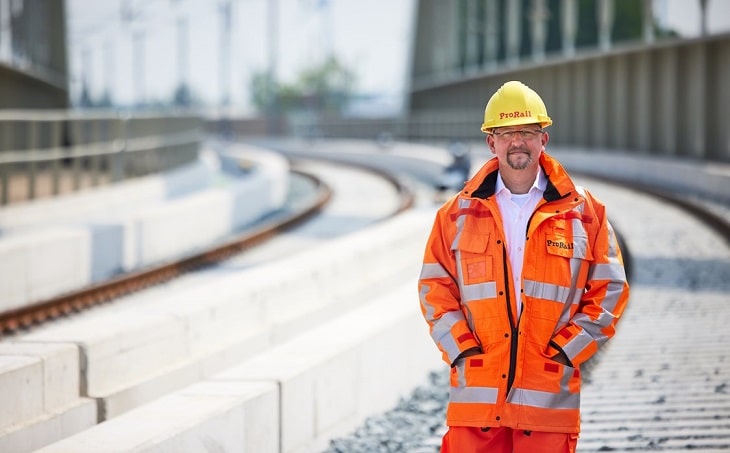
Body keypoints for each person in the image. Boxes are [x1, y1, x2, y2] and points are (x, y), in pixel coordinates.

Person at [418, 80, 630, 453]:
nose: (518, 141)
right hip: (478, 402)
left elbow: (610, 289)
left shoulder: (584, 213)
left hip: (547, 399)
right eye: (507, 133)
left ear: (543, 140)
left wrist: (567, 352)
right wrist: (463, 351)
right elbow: (434, 288)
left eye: (528, 132)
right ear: (491, 142)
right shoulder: (455, 214)